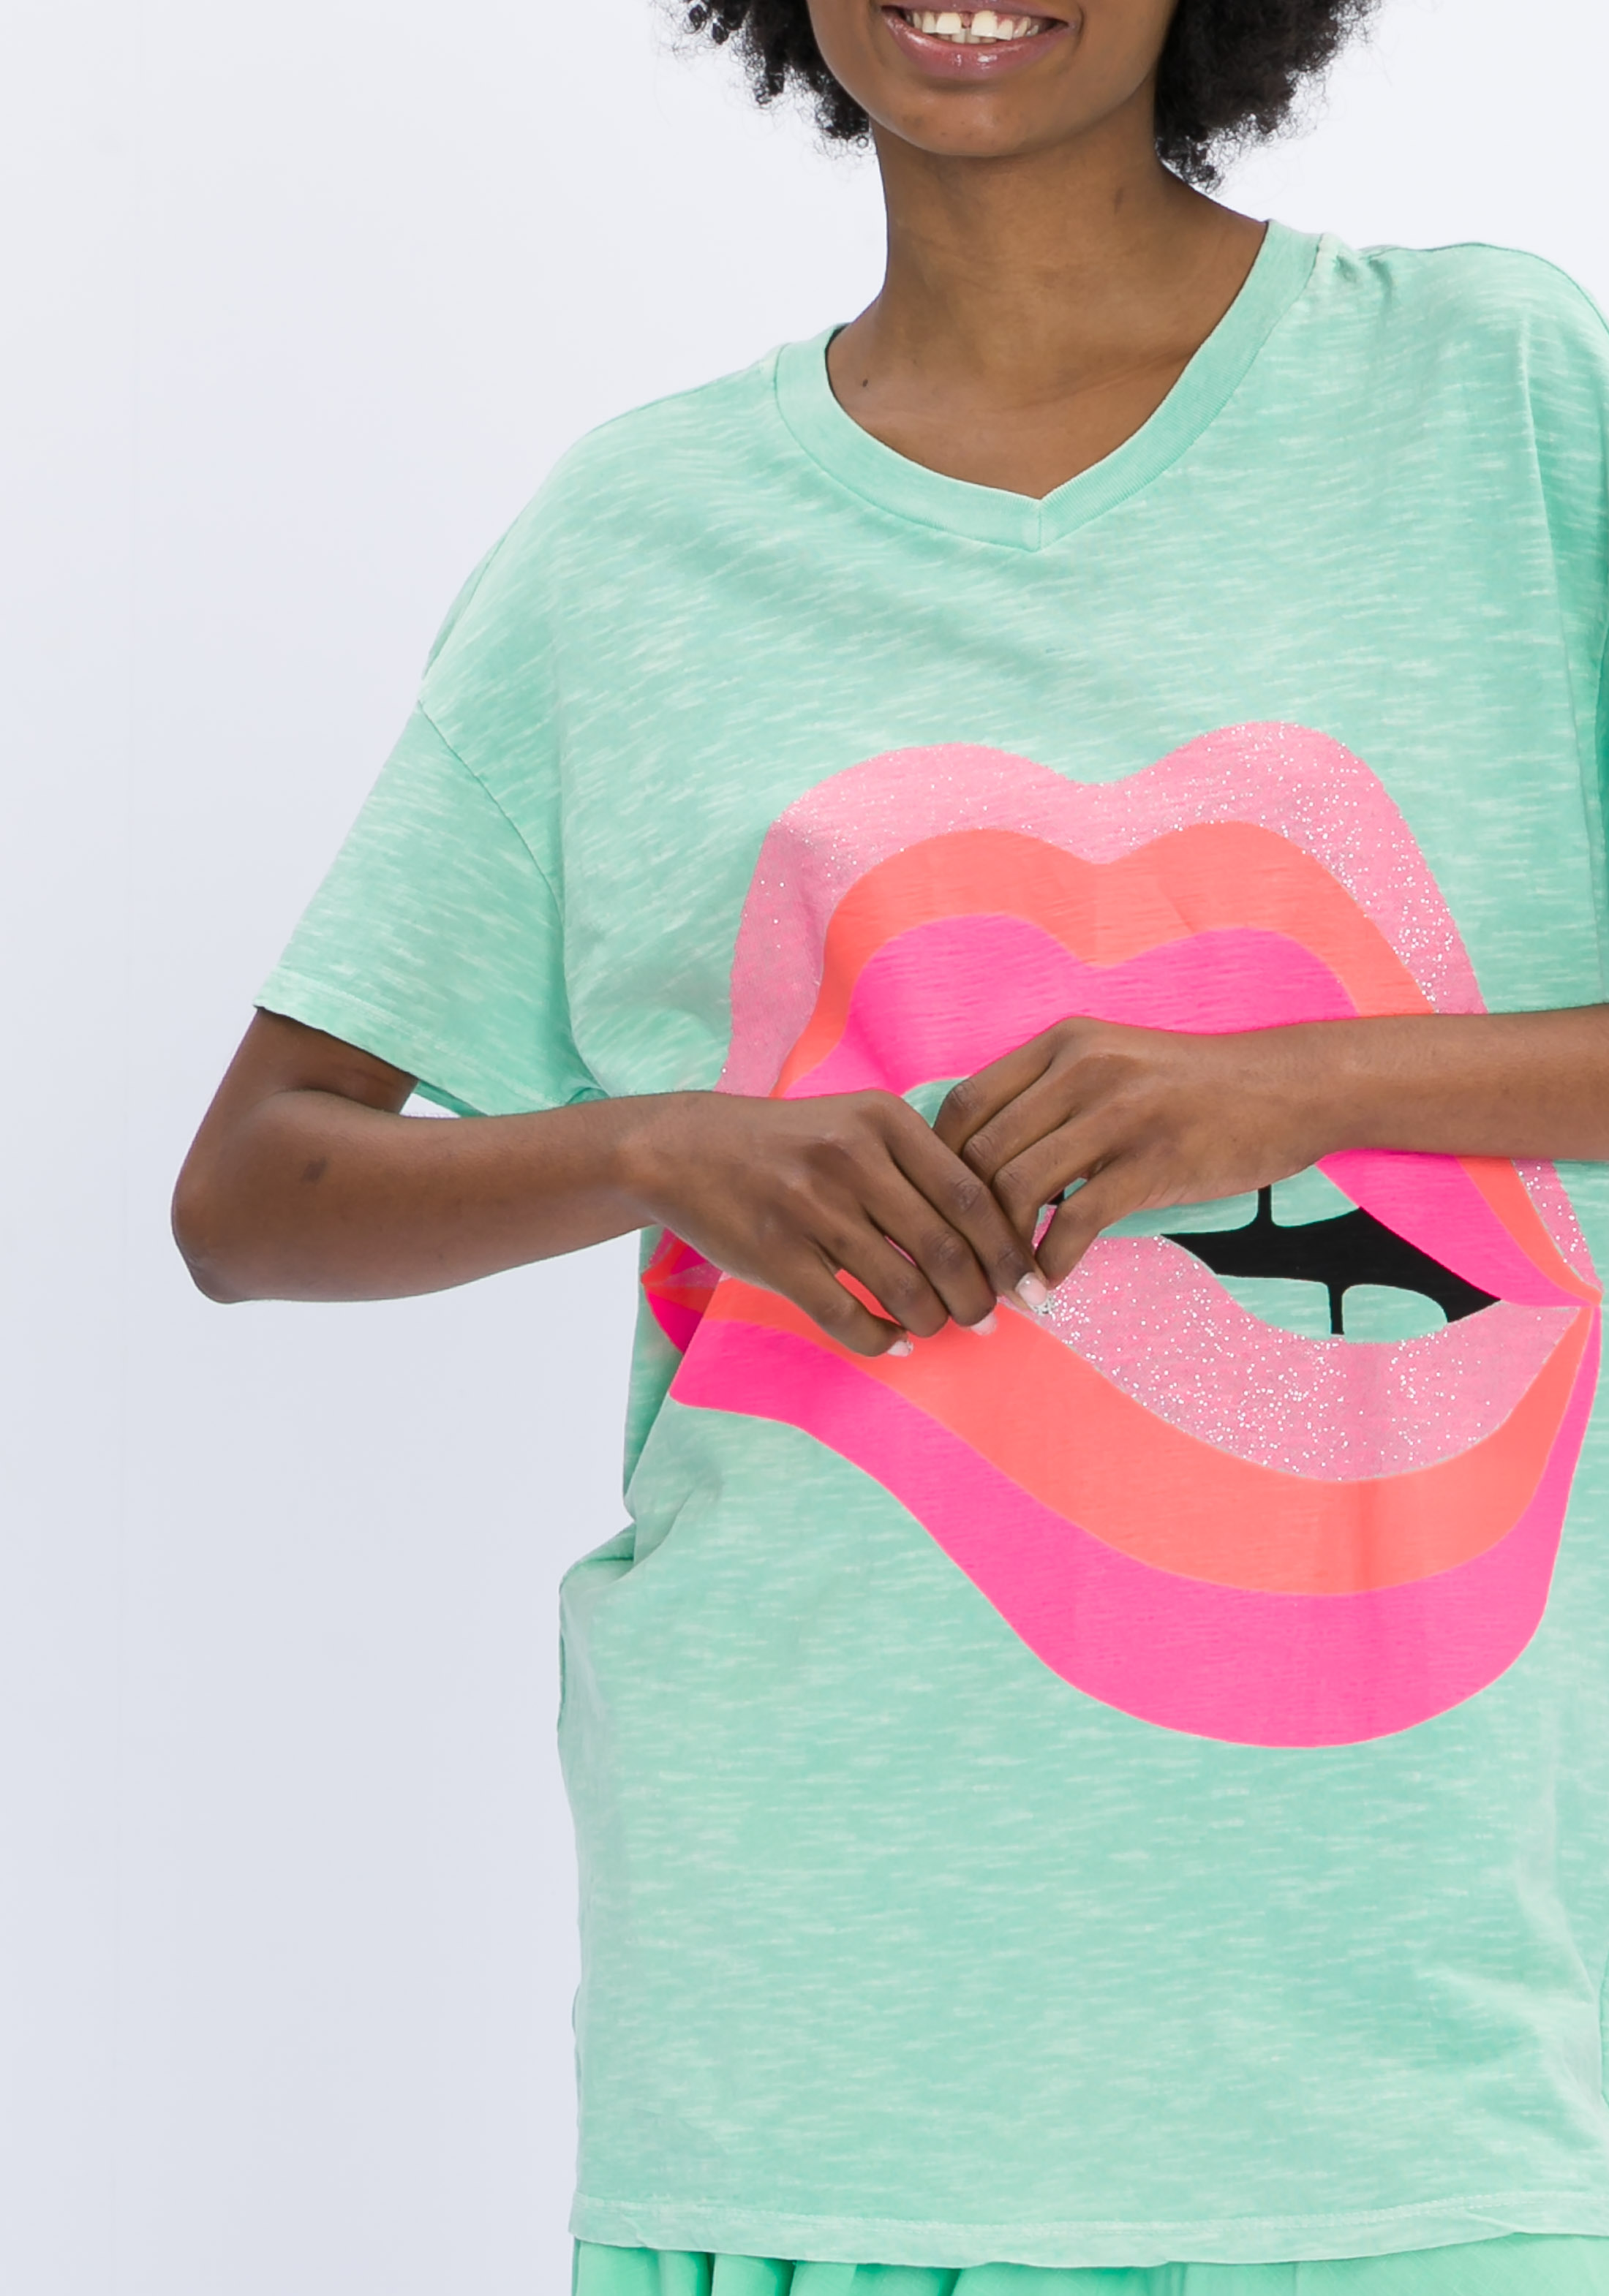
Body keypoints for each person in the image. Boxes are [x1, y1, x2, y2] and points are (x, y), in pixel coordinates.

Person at [173, 0, 1609, 2287]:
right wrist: (666, 1148)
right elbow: (256, 1188)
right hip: (806, 2044)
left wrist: (1307, 1083)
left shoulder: (1492, 397)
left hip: (1403, 2044)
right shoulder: (637, 544)